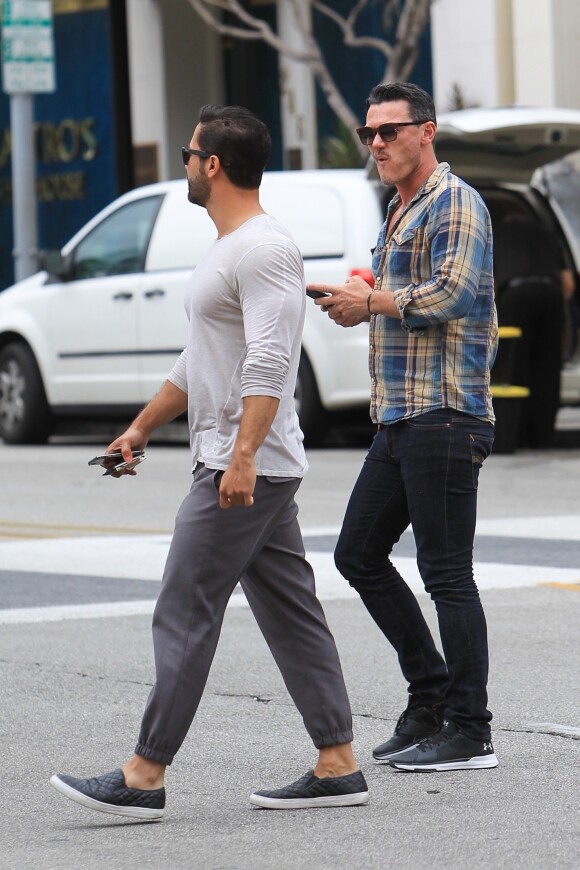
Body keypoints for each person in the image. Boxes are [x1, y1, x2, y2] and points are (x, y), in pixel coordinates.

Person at [50, 105, 368, 818]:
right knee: (292, 615)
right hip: (243, 460)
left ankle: (144, 774)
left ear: (213, 165)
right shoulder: (230, 248)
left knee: (184, 609)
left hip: (241, 465)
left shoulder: (263, 250)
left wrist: (243, 455)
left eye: (191, 154)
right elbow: (202, 362)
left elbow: (270, 357)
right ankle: (338, 759)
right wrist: (137, 429)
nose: (186, 164)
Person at [307, 82, 499, 772]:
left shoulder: (456, 203)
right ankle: (430, 700)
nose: (378, 144)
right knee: (357, 553)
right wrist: (357, 298)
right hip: (399, 415)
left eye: (390, 131)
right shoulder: (399, 209)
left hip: (445, 413)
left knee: (446, 573)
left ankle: (470, 730)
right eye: (370, 134)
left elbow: (455, 292)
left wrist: (372, 302)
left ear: (427, 131)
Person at [493, 212, 575, 448]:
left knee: (516, 366)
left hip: (516, 295)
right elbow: (568, 283)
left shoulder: (496, 235)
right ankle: (542, 437)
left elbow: (490, 282)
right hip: (551, 295)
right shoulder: (548, 235)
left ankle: (516, 436)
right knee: (548, 369)